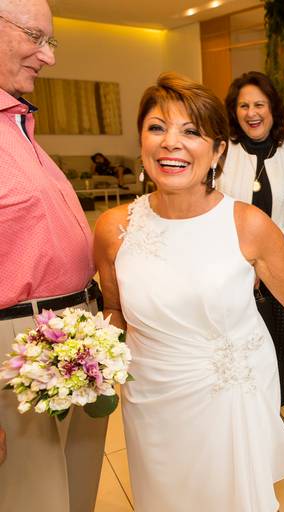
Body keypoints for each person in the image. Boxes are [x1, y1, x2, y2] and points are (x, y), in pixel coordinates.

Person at [92, 73, 284, 512]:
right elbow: (113, 308)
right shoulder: (113, 228)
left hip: (229, 397)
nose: (170, 143)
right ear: (141, 139)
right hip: (151, 397)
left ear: (219, 150)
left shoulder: (248, 224)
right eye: (157, 127)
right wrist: (86, 360)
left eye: (191, 131)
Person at [0, 1, 107, 510]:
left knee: (76, 489)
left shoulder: (17, 123)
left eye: (51, 41)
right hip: (18, 344)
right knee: (32, 496)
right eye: (35, 37)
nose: (49, 57)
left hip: (74, 336)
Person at [218, 71, 284, 428]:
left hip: (283, 268)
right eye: (243, 106)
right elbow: (216, 211)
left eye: (259, 104)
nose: (251, 112)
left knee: (278, 341)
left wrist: (267, 261)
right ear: (234, 111)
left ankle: (273, 411)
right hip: (233, 267)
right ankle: (243, 413)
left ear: (273, 109)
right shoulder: (224, 151)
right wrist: (246, 263)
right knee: (239, 343)